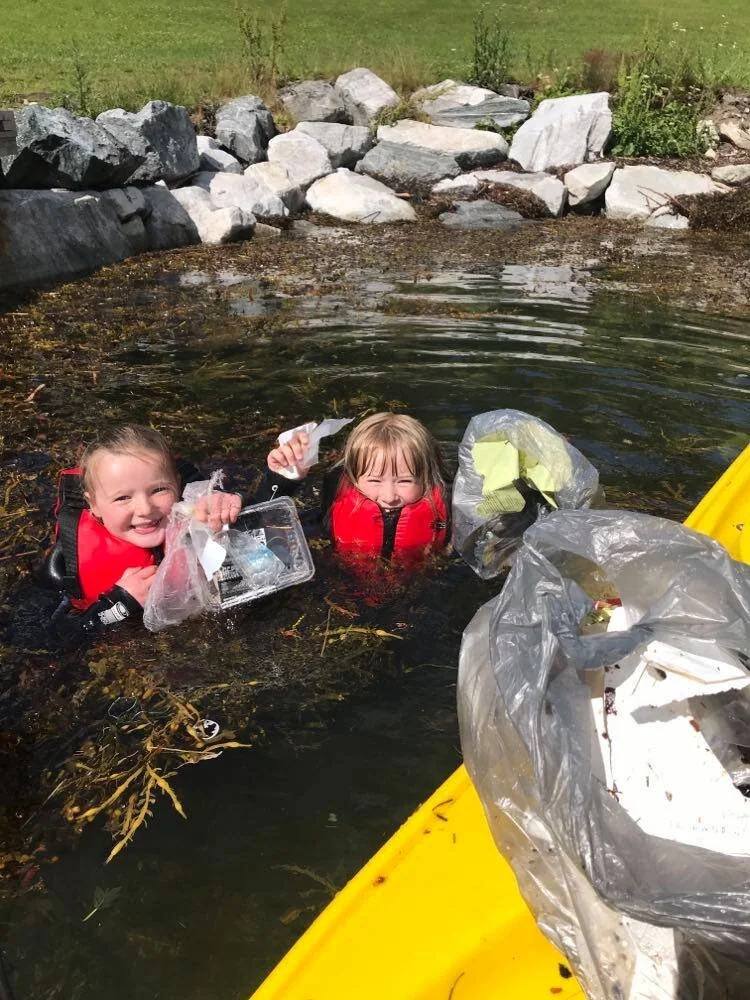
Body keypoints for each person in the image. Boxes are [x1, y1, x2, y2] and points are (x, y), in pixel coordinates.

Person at [38, 425, 242, 644]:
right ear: (94, 505)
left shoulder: (200, 515)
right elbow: (48, 638)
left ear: (177, 484)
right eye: (122, 498)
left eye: (159, 490)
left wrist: (229, 505)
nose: (145, 509)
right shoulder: (65, 564)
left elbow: (266, 536)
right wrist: (119, 604)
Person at [266, 412, 450, 566]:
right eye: (374, 480)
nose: (389, 497)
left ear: (427, 479)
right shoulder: (332, 511)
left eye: (404, 481)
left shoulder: (448, 518)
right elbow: (266, 527)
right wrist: (286, 478)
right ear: (353, 478)